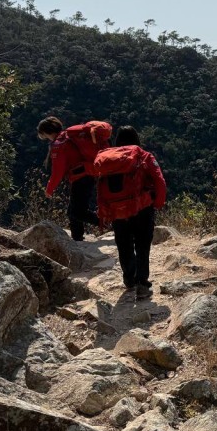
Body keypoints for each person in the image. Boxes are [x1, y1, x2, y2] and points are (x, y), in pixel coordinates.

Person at [94, 126, 167, 300]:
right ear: (136, 139)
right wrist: (157, 203)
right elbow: (160, 181)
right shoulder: (144, 155)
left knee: (124, 244)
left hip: (117, 211)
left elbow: (100, 187)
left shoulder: (108, 159)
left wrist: (104, 212)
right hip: (142, 208)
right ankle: (142, 283)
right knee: (142, 245)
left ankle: (129, 279)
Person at [36, 115, 112, 241]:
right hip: (88, 174)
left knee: (77, 212)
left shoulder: (58, 143)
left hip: (81, 177)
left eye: (44, 135)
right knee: (72, 211)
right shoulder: (68, 136)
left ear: (47, 132)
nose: (46, 139)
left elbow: (57, 171)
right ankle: (77, 238)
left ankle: (108, 223)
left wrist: (49, 189)